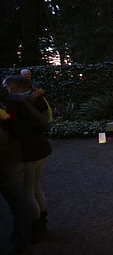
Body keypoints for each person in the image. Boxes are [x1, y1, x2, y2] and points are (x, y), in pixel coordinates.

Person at [3, 75, 52, 243]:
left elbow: (19, 128)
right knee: (36, 187)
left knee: (27, 191)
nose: (3, 87)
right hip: (40, 147)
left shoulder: (17, 102)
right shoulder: (36, 98)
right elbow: (45, 120)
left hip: (28, 150)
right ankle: (41, 224)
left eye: (5, 84)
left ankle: (35, 229)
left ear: (14, 87)